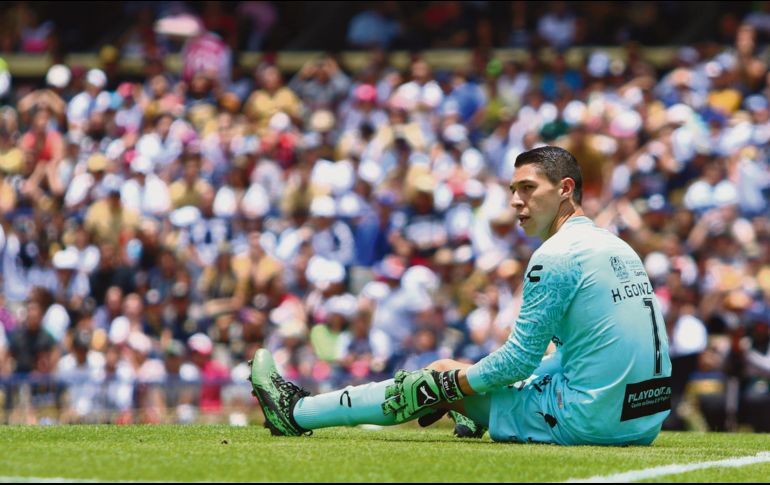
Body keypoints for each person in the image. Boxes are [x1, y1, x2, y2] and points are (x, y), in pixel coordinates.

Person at [247, 146, 673, 445]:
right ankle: (473, 411)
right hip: (646, 419)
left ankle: (296, 412)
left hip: (592, 424)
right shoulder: (617, 245)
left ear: (565, 188)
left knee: (437, 375)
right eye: (512, 190)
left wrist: (449, 384)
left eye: (528, 189)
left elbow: (518, 361)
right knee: (486, 375)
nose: (515, 201)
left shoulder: (555, 256)